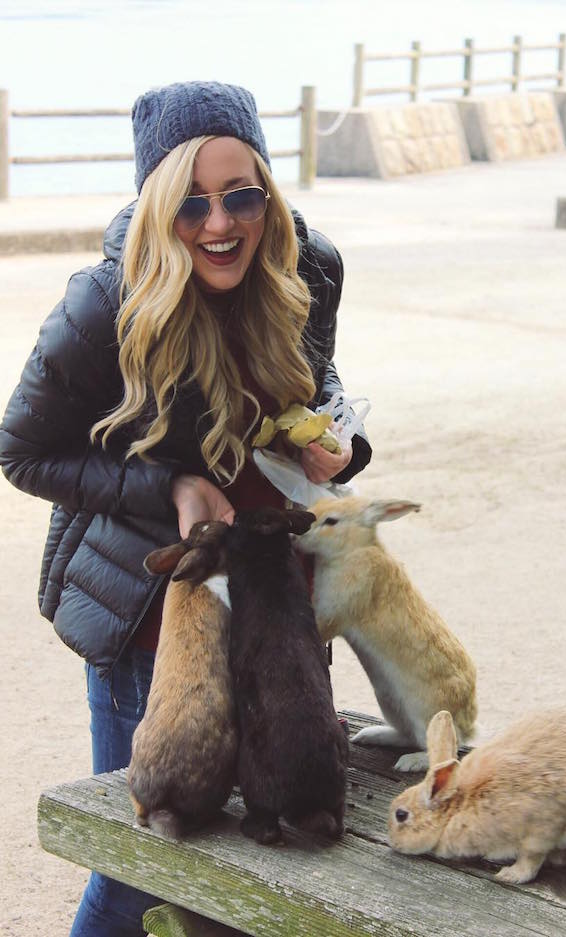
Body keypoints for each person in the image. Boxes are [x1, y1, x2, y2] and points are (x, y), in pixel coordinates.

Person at [0, 80, 371, 937]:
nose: (219, 224)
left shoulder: (310, 267)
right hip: (152, 621)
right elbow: (21, 450)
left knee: (259, 871)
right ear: (158, 203)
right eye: (192, 203)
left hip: (281, 607)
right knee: (143, 870)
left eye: (242, 195)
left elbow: (326, 385)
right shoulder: (103, 303)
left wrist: (343, 441)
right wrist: (167, 487)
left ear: (267, 194)